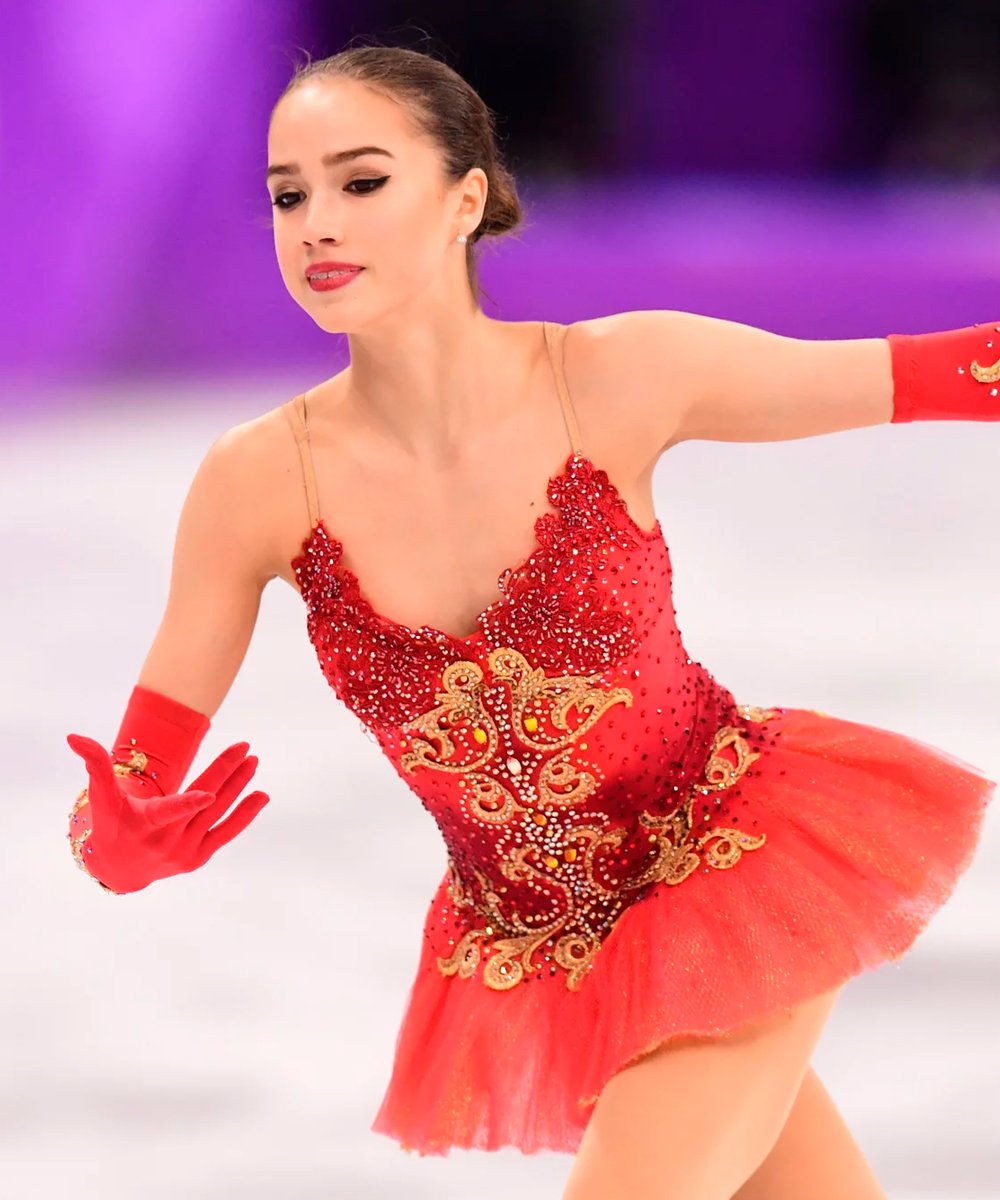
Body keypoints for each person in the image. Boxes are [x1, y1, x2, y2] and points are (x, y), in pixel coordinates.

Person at [65, 42, 997, 1200]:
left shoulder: (619, 374)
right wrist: (116, 841)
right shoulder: (256, 482)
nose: (315, 223)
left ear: (464, 199)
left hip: (730, 868)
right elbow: (136, 772)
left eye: (360, 183)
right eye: (286, 195)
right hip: (541, 941)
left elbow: (954, 374)